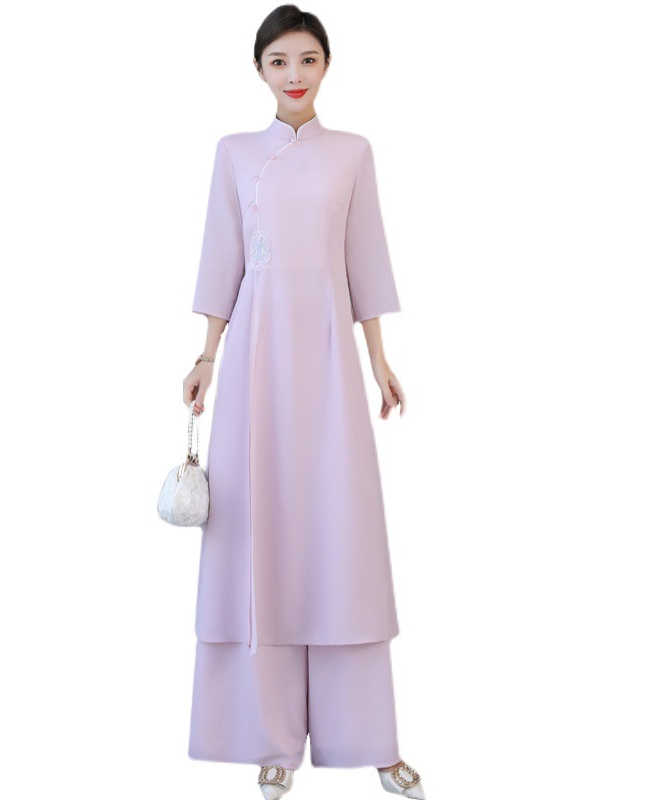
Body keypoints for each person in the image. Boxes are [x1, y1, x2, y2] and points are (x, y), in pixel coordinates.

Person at [181, 6, 426, 798]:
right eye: (279, 61)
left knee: (340, 537)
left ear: (326, 65)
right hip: (254, 362)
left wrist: (379, 362)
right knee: (260, 535)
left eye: (308, 59)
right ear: (259, 70)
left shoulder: (352, 153)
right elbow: (222, 256)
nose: (295, 74)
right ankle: (271, 737)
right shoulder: (233, 152)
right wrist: (207, 356)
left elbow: (365, 257)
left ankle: (371, 739)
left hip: (327, 359)